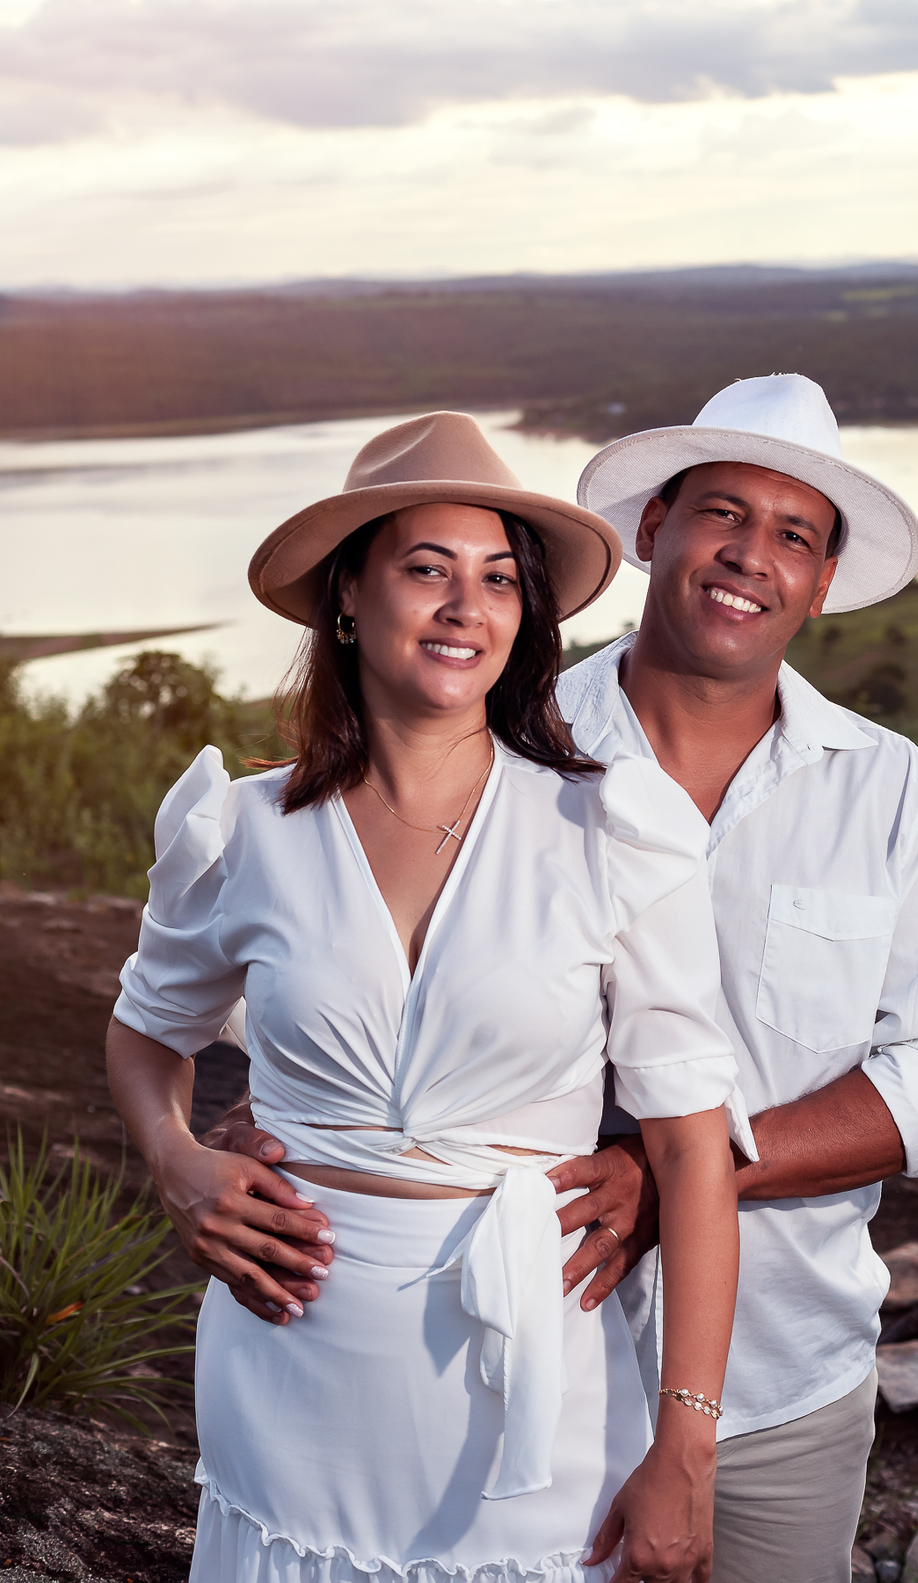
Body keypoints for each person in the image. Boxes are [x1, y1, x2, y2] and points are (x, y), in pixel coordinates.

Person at [201, 376, 918, 1583]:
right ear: (654, 528)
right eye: (721, 513)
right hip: (493, 1381)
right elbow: (329, 972)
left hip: (780, 1384)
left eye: (795, 535)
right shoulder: (504, 738)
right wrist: (275, 1134)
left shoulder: (885, 789)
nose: (751, 556)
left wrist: (682, 1169)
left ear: (822, 581)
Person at [106, 412, 752, 1583]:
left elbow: (692, 1151)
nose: (467, 606)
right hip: (286, 1373)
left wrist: (686, 1446)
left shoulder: (611, 829)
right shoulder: (243, 830)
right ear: (349, 598)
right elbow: (149, 1028)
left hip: (533, 1399)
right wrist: (176, 1160)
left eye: (499, 578)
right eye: (427, 569)